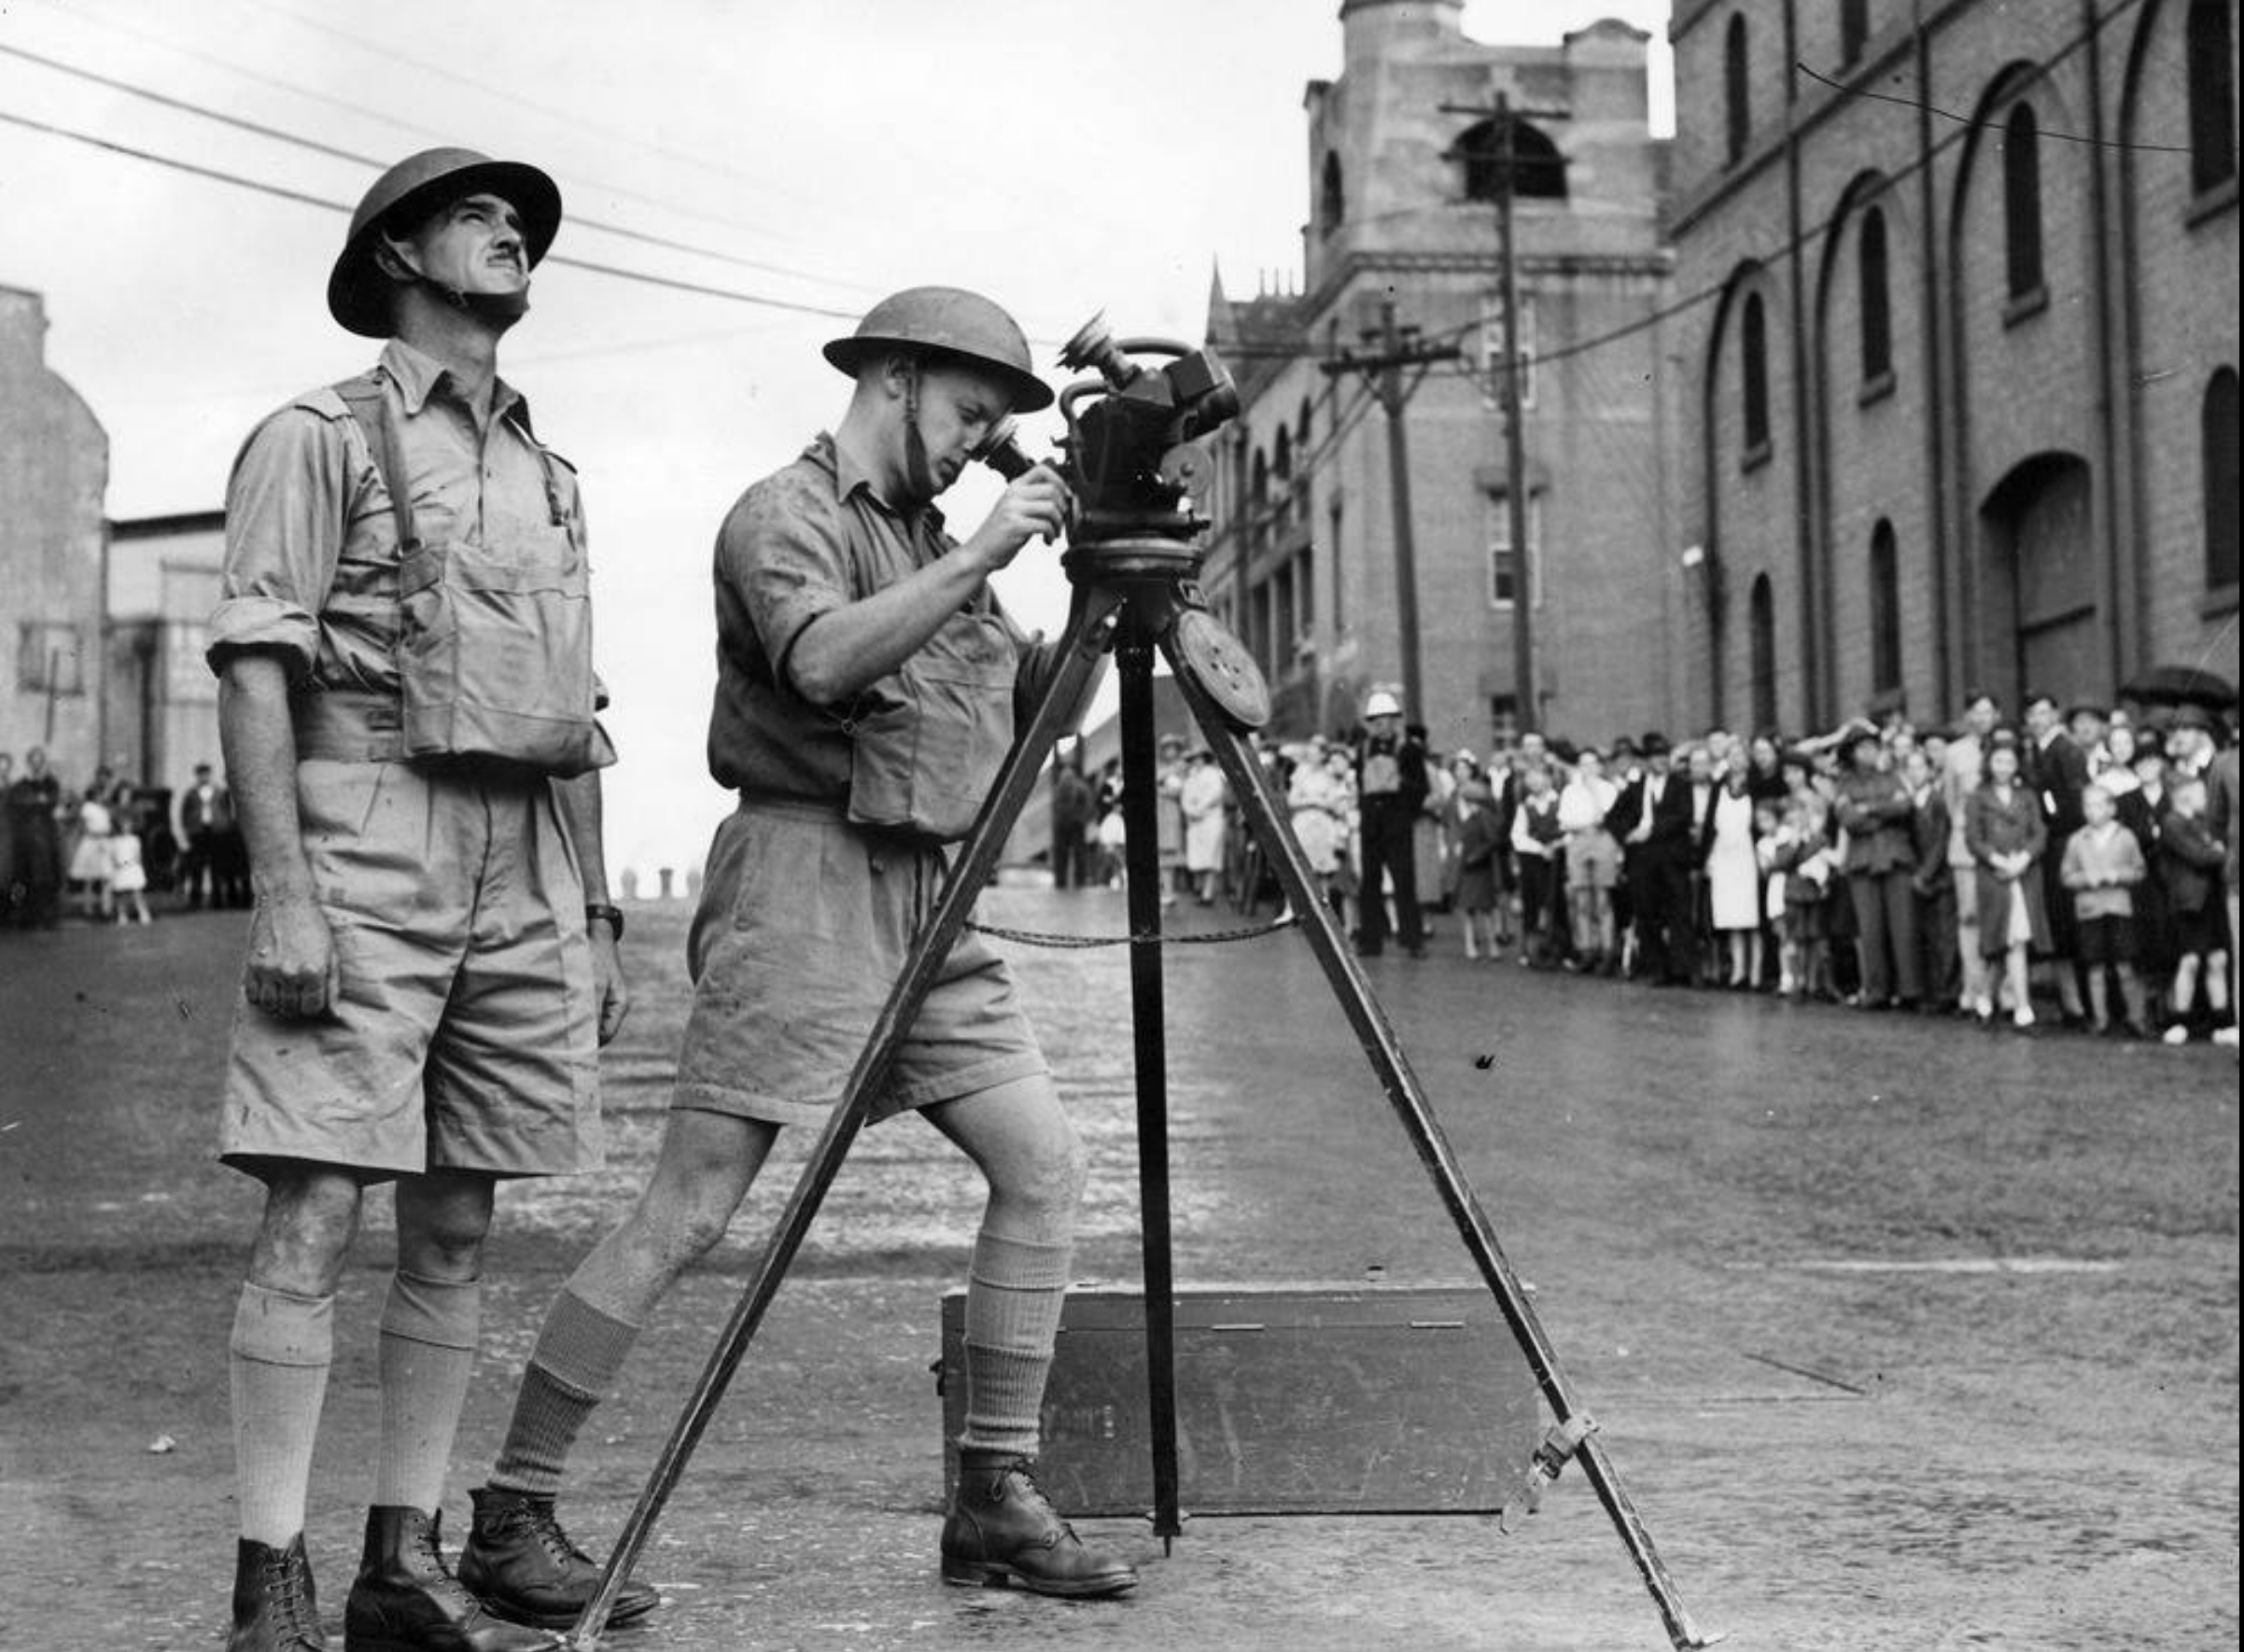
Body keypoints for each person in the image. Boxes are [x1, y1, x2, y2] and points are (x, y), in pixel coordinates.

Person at [465, 287, 1135, 1629]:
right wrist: (983, 556)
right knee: (692, 1208)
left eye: (998, 428)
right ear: (892, 377)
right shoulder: (786, 514)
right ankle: (512, 1507)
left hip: (927, 899)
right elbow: (821, 660)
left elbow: (1036, 720)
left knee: (1043, 1163)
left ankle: (991, 1490)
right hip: (801, 880)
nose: (974, 446)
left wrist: (1109, 587)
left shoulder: (944, 543)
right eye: (966, 415)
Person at [206, 147, 626, 1652]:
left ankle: (402, 1560)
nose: (514, 231)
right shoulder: (314, 437)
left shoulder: (547, 468)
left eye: (524, 221)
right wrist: (285, 895)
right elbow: (258, 659)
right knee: (316, 1204)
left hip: (522, 857)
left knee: (457, 1222)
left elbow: (575, 706)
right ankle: (272, 1582)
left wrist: (587, 914)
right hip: (364, 823)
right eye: (476, 215)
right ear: (395, 250)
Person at [1834, 725, 1922, 1010]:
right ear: (1852, 754)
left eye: (1872, 747)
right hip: (1862, 861)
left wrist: (1868, 809)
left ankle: (1909, 989)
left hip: (1896, 856)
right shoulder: (1845, 783)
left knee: (1903, 926)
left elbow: (1904, 807)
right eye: (1861, 748)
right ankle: (1876, 990)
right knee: (1870, 929)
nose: (1868, 753)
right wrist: (1883, 809)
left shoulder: (1893, 777)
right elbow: (1848, 819)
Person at [1967, 732, 2050, 1029]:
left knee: (2016, 941)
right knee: (2002, 944)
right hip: (1994, 877)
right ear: (1989, 764)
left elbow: (2039, 832)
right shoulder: (1978, 797)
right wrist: (1998, 860)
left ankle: (2016, 1006)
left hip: (2024, 875)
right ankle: (1993, 1000)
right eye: (1998, 761)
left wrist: (2024, 858)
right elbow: (1974, 838)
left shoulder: (2027, 796)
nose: (2003, 767)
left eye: (2009, 761)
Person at [2059, 781, 2152, 1037]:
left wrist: (2117, 875)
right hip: (2089, 909)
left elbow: (2139, 870)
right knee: (2095, 965)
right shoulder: (2078, 840)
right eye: (2088, 805)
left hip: (2119, 907)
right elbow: (2066, 876)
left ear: (2111, 808)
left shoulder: (2125, 836)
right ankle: (2100, 1019)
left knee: (2126, 963)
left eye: (2099, 805)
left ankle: (2136, 1017)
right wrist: (2085, 879)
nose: (2092, 811)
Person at [1606, 732, 1695, 985]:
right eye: (1656, 757)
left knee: (1679, 911)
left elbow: (1683, 816)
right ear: (1647, 761)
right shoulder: (1636, 788)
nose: (1661, 761)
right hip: (1643, 859)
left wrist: (1653, 829)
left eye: (1664, 756)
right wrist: (1628, 835)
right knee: (1647, 913)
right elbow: (1612, 818)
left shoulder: (1680, 785)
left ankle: (1682, 967)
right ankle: (1656, 966)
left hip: (1671, 855)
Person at [1353, 688, 1429, 958]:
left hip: (1397, 821)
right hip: (1371, 822)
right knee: (1369, 882)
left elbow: (1422, 788)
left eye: (1386, 718)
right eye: (1376, 720)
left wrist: (1402, 798)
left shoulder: (1409, 750)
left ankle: (1412, 940)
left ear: (1395, 720)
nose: (1381, 724)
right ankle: (1370, 940)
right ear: (1371, 723)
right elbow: (1359, 785)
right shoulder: (1362, 750)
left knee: (1403, 880)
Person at [2157, 772, 2233, 1044]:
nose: (2208, 800)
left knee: (2217, 959)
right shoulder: (2172, 822)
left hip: (2211, 898)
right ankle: (2179, 1020)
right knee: (2189, 960)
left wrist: (2216, 849)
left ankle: (2222, 1023)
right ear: (2185, 796)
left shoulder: (2202, 822)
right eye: (2203, 794)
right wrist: (2221, 852)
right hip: (2189, 902)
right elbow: (2199, 856)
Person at [1701, 759, 1760, 987]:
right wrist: (1708, 858)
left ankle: (1755, 970)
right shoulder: (1719, 791)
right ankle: (1738, 969)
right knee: (1731, 917)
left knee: (1752, 917)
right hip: (1724, 857)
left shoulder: (1753, 791)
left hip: (1747, 857)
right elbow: (1711, 826)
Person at [5, 747, 64, 929]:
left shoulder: (51, 783)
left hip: (47, 837)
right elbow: (18, 804)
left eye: (40, 761)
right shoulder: (20, 785)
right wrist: (38, 802)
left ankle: (48, 917)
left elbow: (52, 801)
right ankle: (26, 916)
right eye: (34, 761)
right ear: (29, 763)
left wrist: (37, 802)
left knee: (48, 878)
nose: (37, 765)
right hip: (26, 839)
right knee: (24, 878)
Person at [1452, 775, 1503, 959]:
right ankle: (1470, 944)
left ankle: (1491, 944)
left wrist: (1475, 856)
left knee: (1485, 909)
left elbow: (1492, 840)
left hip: (1480, 867)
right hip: (1468, 866)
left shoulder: (1483, 815)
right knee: (1467, 909)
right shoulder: (1472, 815)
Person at [176, 761, 231, 910]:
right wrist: (187, 830)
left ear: (209, 774)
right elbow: (184, 813)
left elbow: (226, 810)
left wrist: (224, 825)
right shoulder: (191, 793)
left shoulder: (218, 791)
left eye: (206, 773)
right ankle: (196, 900)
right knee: (196, 867)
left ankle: (217, 900)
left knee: (216, 867)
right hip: (198, 832)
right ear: (197, 776)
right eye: (201, 774)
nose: (203, 776)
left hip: (216, 831)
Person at [1180, 748, 1228, 905]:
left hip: (1211, 818)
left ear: (1204, 758)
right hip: (1195, 821)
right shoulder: (1191, 777)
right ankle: (1199, 889)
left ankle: (1208, 893)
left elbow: (1215, 793)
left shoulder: (1213, 774)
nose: (1196, 761)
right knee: (1198, 856)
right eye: (1193, 758)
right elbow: (1185, 797)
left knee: (1211, 856)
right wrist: (1191, 810)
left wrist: (1201, 808)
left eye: (1199, 757)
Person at [1047, 748, 1095, 890]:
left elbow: (1087, 805)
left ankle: (1072, 880)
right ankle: (1067, 881)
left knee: (1074, 853)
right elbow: (1057, 806)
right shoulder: (1066, 788)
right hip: (1067, 824)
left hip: (1072, 824)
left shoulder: (1075, 788)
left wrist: (1079, 819)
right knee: (1067, 853)